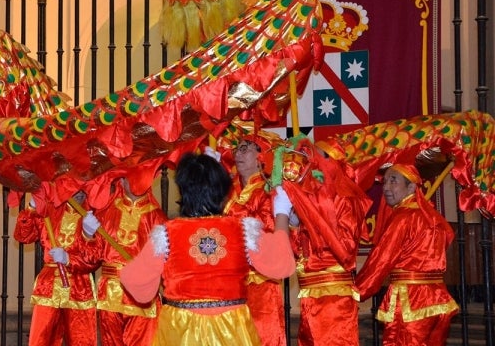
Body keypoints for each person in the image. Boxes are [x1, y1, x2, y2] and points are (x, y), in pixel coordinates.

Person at [120, 152, 296, 346]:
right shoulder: (244, 229)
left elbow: (135, 282)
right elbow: (281, 265)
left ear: (183, 192)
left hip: (181, 331)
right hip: (232, 330)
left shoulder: (166, 234)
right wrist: (281, 213)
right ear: (222, 193)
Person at [355, 163, 459, 346]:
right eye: (384, 181)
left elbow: (381, 260)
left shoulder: (403, 217)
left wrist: (355, 292)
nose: (386, 187)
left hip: (411, 301)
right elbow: (447, 238)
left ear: (411, 187)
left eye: (393, 181)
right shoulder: (433, 217)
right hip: (438, 299)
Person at [282, 138, 371, 346]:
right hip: (310, 294)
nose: (311, 164)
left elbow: (346, 251)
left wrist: (311, 215)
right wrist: (295, 224)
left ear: (332, 163)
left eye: (316, 158)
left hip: (334, 299)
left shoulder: (346, 199)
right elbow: (298, 251)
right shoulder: (310, 199)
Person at [80, 176, 168, 346]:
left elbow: (166, 262)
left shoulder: (157, 217)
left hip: (141, 297)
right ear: (121, 181)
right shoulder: (106, 212)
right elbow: (91, 259)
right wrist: (88, 236)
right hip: (110, 296)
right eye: (129, 177)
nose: (134, 182)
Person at [223, 132, 288, 346]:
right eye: (237, 149)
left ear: (261, 157)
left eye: (245, 149)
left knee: (263, 339)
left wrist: (227, 205)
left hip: (261, 284)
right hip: (231, 284)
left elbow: (264, 228)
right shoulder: (228, 189)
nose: (238, 154)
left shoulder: (270, 190)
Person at [13, 189, 99, 346]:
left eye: (82, 186)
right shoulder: (50, 210)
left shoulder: (93, 214)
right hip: (48, 286)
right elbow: (23, 235)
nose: (78, 191)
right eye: (73, 186)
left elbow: (95, 258)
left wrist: (70, 257)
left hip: (79, 288)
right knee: (41, 340)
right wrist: (32, 206)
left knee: (82, 340)